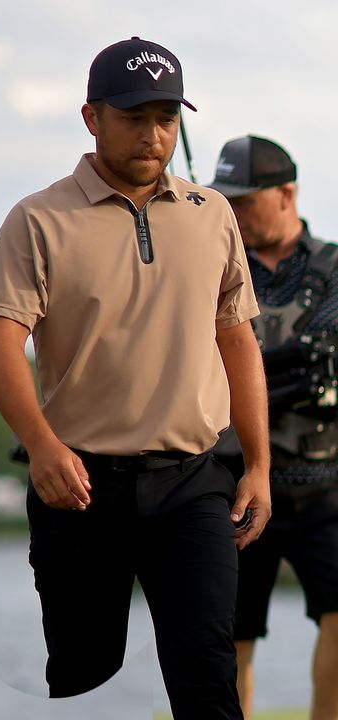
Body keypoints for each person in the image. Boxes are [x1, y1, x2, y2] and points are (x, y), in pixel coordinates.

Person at [0, 37, 271, 719]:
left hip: (195, 483)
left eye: (166, 118)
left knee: (207, 679)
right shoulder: (38, 219)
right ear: (92, 117)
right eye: (135, 117)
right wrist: (43, 446)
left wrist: (258, 465)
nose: (153, 135)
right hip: (79, 487)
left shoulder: (214, 214)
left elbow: (238, 342)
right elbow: (0, 345)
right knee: (84, 685)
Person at [208, 135, 338, 720]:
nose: (231, 213)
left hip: (326, 482)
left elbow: (324, 353)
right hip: (234, 482)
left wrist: (256, 371)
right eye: (225, 201)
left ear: (287, 194)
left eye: (245, 200)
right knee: (228, 636)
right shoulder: (210, 271)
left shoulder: (333, 268)